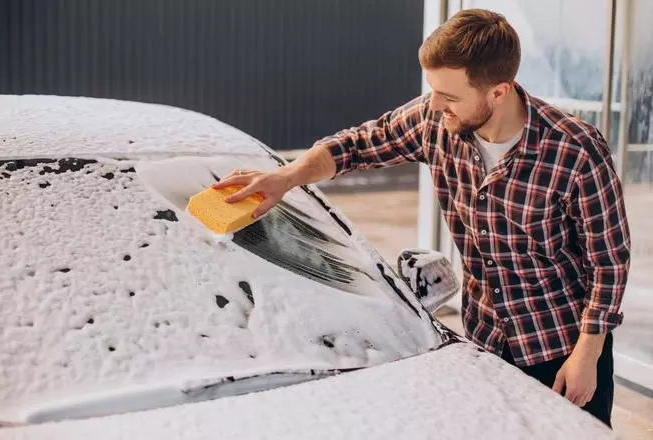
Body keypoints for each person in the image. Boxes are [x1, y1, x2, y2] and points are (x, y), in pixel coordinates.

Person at [213, 8, 630, 427]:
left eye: (449, 96)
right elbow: (356, 146)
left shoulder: (573, 150)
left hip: (562, 347)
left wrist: (587, 354)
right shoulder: (434, 120)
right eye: (433, 90)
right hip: (486, 340)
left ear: (499, 92)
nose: (435, 104)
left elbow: (608, 262)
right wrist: (287, 177)